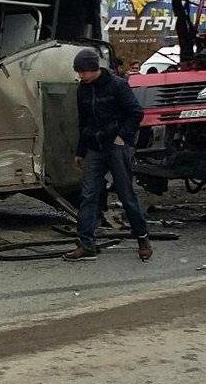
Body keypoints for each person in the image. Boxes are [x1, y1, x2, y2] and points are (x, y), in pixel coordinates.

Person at [64, 48, 152, 262]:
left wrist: (122, 136)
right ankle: (86, 243)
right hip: (94, 147)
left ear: (93, 68)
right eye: (78, 72)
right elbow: (83, 122)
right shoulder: (82, 90)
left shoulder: (117, 85)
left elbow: (136, 113)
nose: (80, 76)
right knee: (88, 195)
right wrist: (81, 151)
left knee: (126, 195)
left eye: (83, 71)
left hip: (116, 147)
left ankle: (142, 238)